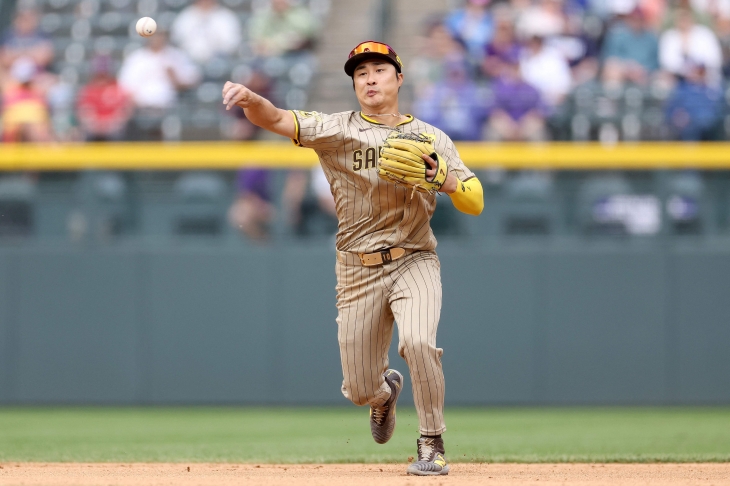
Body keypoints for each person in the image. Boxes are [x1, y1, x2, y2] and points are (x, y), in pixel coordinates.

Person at [222, 40, 484, 476]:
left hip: (414, 257)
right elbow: (276, 118)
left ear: (398, 78)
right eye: (360, 73)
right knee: (360, 389)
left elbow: (475, 201)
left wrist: (444, 178)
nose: (369, 79)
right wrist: (251, 99)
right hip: (357, 268)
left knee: (418, 342)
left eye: (379, 70)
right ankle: (384, 395)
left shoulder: (431, 137)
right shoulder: (335, 129)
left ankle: (432, 443)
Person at [76, 56, 133, 141]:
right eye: (99, 74)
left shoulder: (117, 89)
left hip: (114, 129)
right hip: (94, 130)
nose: (101, 77)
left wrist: (110, 124)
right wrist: (95, 125)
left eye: (104, 74)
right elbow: (84, 112)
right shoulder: (88, 90)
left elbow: (124, 111)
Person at [170, 0, 242, 65]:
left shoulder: (226, 17)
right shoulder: (185, 17)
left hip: (218, 62)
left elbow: (232, 43)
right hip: (189, 62)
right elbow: (177, 41)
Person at [601, 7, 659, 86]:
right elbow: (610, 57)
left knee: (662, 79)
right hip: (622, 70)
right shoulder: (617, 35)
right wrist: (628, 68)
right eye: (633, 19)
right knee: (612, 70)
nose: (636, 22)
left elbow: (655, 62)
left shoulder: (651, 39)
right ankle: (611, 97)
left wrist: (641, 70)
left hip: (645, 73)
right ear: (628, 20)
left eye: (639, 19)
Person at [0, 8, 53, 72]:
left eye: (28, 19)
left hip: (37, 75)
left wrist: (16, 54)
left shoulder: (42, 35)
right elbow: (4, 60)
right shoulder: (7, 36)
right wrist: (31, 54)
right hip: (11, 74)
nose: (25, 22)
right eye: (22, 19)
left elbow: (44, 58)